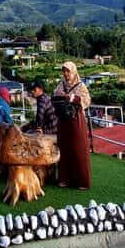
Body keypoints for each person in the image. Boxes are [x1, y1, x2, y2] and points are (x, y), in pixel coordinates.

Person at [53, 61, 92, 190]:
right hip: (63, 120)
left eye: (68, 71)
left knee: (78, 148)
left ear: (73, 71)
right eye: (64, 71)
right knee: (64, 147)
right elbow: (54, 96)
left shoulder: (80, 85)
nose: (65, 74)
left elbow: (86, 100)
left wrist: (73, 98)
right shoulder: (61, 84)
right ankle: (64, 179)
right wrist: (60, 96)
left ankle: (82, 181)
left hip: (76, 121)